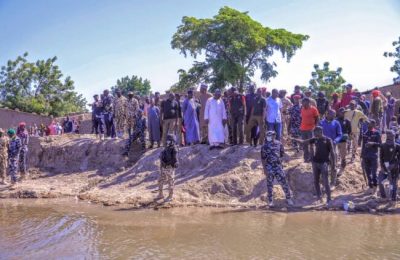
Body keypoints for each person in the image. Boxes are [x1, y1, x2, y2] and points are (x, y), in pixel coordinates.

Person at [293, 126, 335, 205]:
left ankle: (329, 198)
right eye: (314, 132)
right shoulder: (314, 139)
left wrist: (334, 165)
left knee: (326, 181)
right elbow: (303, 142)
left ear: (320, 131)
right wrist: (294, 139)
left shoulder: (328, 140)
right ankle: (319, 197)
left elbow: (332, 153)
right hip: (315, 163)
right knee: (316, 180)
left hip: (324, 163)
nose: (314, 134)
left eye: (315, 132)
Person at [261, 131, 294, 207]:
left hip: (278, 167)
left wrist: (280, 163)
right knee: (270, 184)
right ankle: (270, 201)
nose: (268, 137)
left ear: (274, 136)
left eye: (270, 135)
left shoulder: (279, 143)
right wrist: (265, 169)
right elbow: (263, 159)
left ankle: (288, 198)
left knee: (284, 182)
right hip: (269, 167)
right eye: (267, 135)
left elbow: (282, 154)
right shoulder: (264, 146)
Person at [367, 130, 400, 202]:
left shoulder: (397, 146)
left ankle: (393, 199)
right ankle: (383, 196)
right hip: (385, 167)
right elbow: (381, 157)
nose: (389, 137)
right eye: (388, 136)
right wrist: (382, 167)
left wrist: (394, 165)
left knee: (393, 183)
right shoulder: (383, 145)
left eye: (391, 136)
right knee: (380, 181)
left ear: (394, 136)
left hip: (394, 168)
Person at [319, 109, 342, 187]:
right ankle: (323, 182)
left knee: (333, 165)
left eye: (335, 114)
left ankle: (333, 182)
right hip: (322, 147)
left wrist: (335, 141)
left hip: (333, 147)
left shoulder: (336, 123)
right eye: (332, 114)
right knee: (323, 165)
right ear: (327, 114)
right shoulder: (321, 123)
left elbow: (340, 135)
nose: (334, 116)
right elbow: (317, 133)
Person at [361, 119, 381, 194]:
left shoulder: (377, 133)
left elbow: (380, 145)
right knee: (367, 172)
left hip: (373, 156)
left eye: (370, 123)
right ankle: (370, 187)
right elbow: (363, 145)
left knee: (374, 173)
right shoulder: (365, 133)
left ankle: (375, 187)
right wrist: (361, 155)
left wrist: (372, 143)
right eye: (368, 123)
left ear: (373, 124)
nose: (368, 124)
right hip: (366, 155)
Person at [157, 134, 178, 200]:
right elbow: (162, 156)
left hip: (170, 167)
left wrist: (174, 163)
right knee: (160, 180)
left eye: (169, 141)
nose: (167, 142)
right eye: (167, 141)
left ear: (172, 141)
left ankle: (170, 196)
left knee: (170, 181)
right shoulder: (166, 148)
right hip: (164, 167)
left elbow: (175, 159)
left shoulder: (174, 149)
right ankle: (160, 194)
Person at [300, 97, 320, 162]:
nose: (302, 103)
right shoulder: (302, 109)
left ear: (308, 102)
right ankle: (306, 158)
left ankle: (312, 158)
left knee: (311, 144)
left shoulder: (313, 109)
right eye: (302, 102)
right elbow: (302, 118)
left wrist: (316, 126)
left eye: (303, 102)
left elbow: (317, 118)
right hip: (303, 129)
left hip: (311, 129)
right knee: (304, 144)